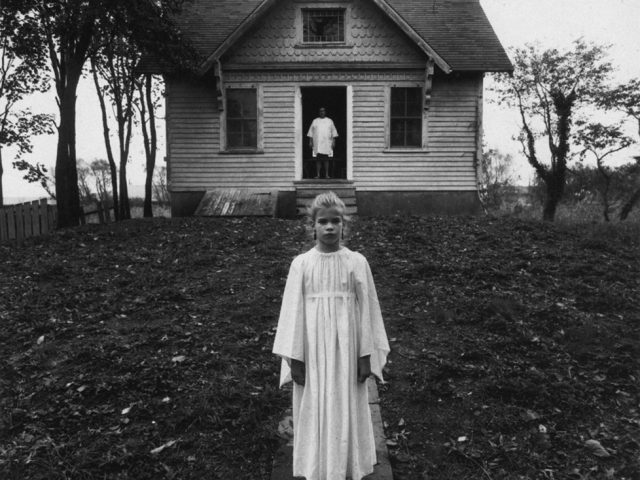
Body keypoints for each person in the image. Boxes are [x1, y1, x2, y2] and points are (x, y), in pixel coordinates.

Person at [273, 192, 390, 480]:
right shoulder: (301, 264)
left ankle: (347, 465)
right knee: (316, 403)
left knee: (346, 400)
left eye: (335, 221)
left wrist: (366, 355)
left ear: (344, 225)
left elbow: (368, 309)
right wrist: (294, 359)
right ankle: (317, 466)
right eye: (322, 222)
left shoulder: (356, 262)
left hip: (347, 349)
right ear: (312, 225)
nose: (329, 227)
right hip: (312, 349)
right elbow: (292, 312)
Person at [307, 107, 338, 179]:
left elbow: (334, 132)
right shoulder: (315, 121)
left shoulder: (329, 121)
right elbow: (310, 132)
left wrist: (333, 141)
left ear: (325, 112)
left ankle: (327, 175)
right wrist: (310, 141)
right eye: (320, 111)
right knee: (318, 160)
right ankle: (318, 174)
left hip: (327, 143)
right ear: (319, 112)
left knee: (326, 160)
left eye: (323, 111)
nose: (322, 112)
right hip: (317, 143)